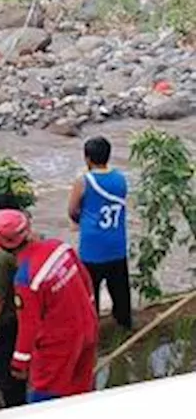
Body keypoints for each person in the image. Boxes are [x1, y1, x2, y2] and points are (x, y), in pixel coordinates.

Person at [0, 210, 99, 402]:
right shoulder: (60, 248)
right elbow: (86, 280)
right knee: (81, 389)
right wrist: (90, 313)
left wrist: (20, 363)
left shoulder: (26, 279)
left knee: (44, 397)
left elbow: (29, 325)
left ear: (0, 245)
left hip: (59, 346)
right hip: (87, 328)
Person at [68, 136, 132, 330]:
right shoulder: (120, 179)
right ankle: (124, 324)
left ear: (87, 158)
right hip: (116, 243)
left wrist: (83, 221)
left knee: (90, 290)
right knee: (120, 289)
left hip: (92, 246)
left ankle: (91, 328)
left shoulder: (84, 181)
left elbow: (72, 210)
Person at [0, 193, 29, 408]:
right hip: (29, 314)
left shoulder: (1, 257)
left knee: (6, 369)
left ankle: (14, 406)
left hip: (9, 319)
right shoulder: (36, 241)